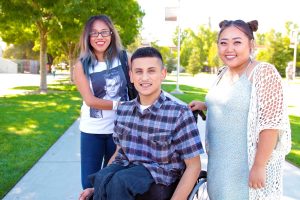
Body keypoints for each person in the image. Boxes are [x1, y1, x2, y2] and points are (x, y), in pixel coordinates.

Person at [79, 47, 204, 200]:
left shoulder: (179, 113)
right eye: (138, 71)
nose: (144, 78)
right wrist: (99, 187)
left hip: (161, 181)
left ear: (162, 74)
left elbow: (194, 166)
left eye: (151, 71)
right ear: (131, 76)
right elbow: (119, 152)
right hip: (127, 176)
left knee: (121, 181)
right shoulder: (123, 110)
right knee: (101, 177)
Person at [189, 20, 291, 200]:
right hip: (218, 168)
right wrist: (205, 105)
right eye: (223, 42)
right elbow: (232, 104)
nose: (229, 48)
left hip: (245, 171)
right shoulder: (222, 73)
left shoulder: (263, 73)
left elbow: (270, 125)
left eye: (237, 42)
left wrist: (259, 166)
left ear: (251, 44)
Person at [74, 14, 130, 190]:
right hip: (92, 132)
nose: (99, 37)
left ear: (112, 34)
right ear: (87, 37)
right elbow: (90, 100)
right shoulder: (81, 65)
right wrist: (119, 105)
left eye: (104, 32)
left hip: (120, 131)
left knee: (114, 183)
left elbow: (141, 84)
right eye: (94, 33)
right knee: (89, 184)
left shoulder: (123, 58)